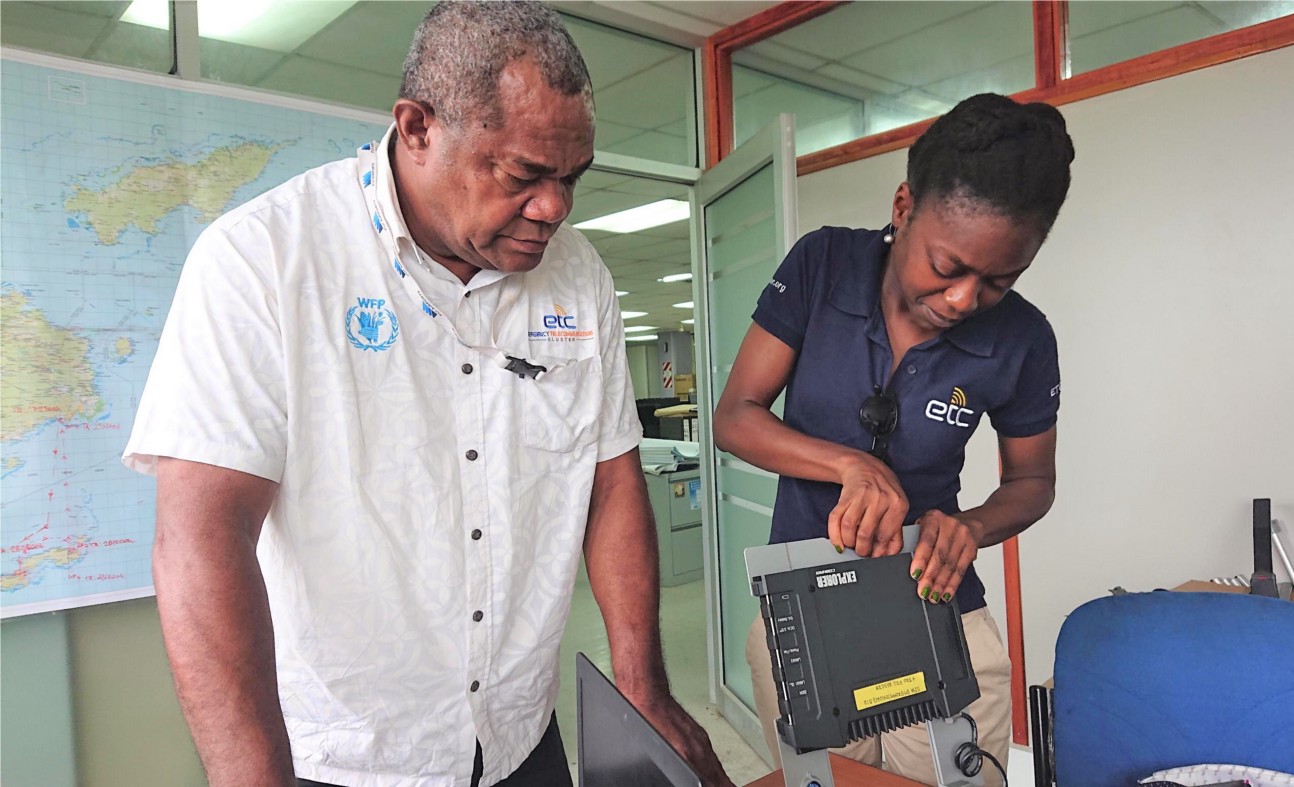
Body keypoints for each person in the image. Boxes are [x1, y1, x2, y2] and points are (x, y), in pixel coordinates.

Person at [123, 3, 733, 786]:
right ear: (416, 127)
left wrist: (642, 682)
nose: (555, 208)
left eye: (571, 178)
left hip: (519, 737)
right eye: (522, 175)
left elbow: (611, 482)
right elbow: (202, 538)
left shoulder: (579, 277)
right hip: (349, 756)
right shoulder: (263, 261)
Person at [713, 93, 1074, 785]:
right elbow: (737, 414)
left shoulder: (1024, 339)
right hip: (807, 611)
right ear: (903, 206)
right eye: (948, 266)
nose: (966, 299)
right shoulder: (822, 265)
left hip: (935, 609)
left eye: (1000, 279)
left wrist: (966, 525)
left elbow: (1034, 482)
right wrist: (849, 463)